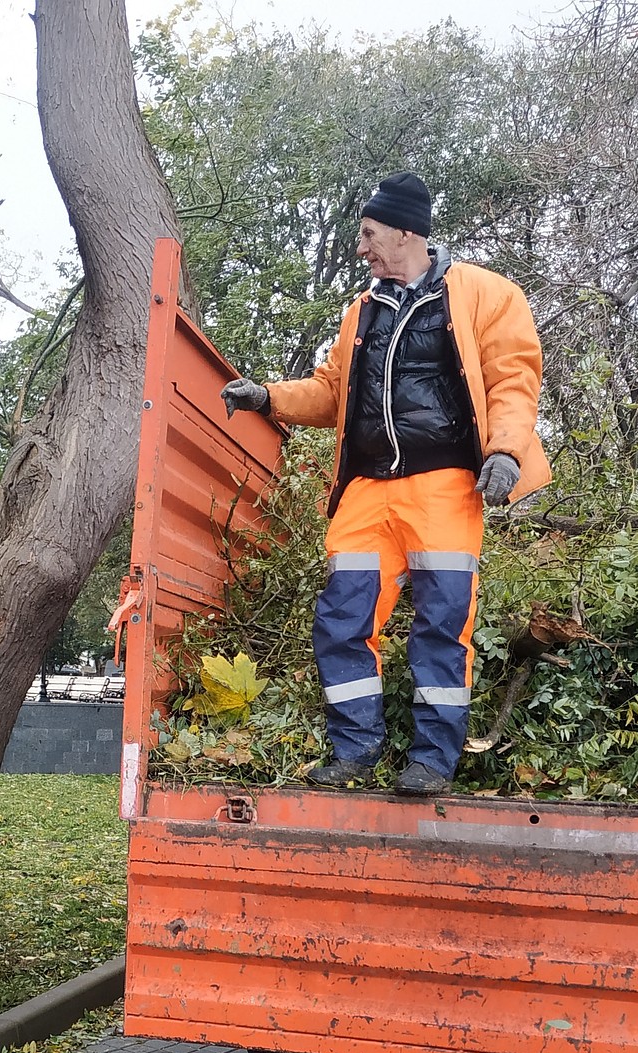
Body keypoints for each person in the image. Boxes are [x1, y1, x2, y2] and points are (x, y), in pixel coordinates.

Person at [222, 171, 551, 797]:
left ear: (406, 232)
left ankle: (432, 761)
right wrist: (269, 397)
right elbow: (330, 391)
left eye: (370, 234)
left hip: (446, 491)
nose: (362, 248)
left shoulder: (487, 295)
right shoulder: (361, 312)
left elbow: (513, 380)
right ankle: (356, 749)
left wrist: (506, 452)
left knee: (441, 625)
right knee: (342, 620)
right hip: (368, 493)